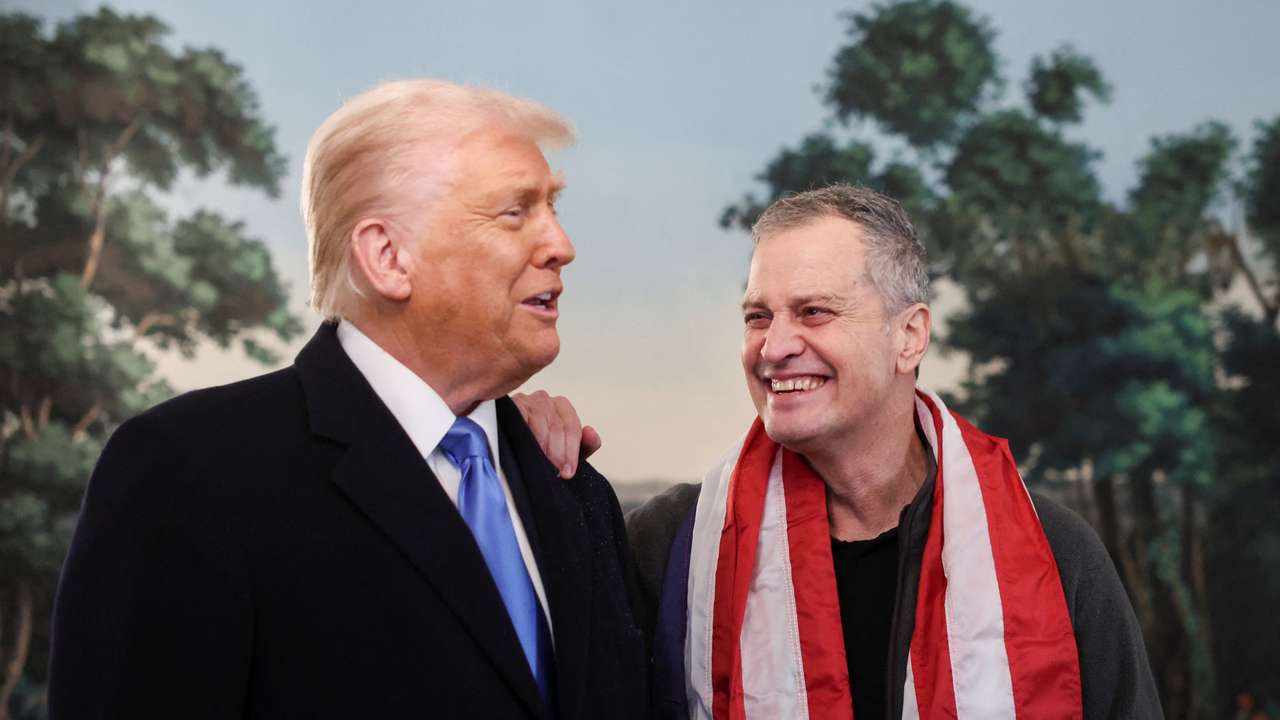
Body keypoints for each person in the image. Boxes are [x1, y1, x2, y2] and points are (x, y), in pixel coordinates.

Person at [48, 79, 647, 719]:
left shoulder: (572, 487)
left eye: (552, 206)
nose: (561, 245)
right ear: (387, 257)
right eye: (515, 212)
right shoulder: (189, 474)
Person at [518, 184, 1162, 719]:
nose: (773, 348)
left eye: (815, 312)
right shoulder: (674, 546)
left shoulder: (1051, 552)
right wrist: (507, 449)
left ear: (909, 336)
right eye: (757, 316)